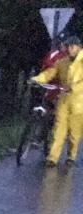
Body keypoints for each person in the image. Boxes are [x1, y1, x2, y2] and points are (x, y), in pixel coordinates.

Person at [32, 35, 83, 167]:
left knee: (74, 132)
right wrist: (37, 79)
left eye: (73, 46)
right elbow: (50, 73)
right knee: (58, 128)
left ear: (79, 47)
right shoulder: (62, 62)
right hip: (64, 100)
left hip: (79, 102)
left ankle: (71, 156)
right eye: (69, 46)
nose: (70, 49)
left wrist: (74, 87)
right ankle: (52, 158)